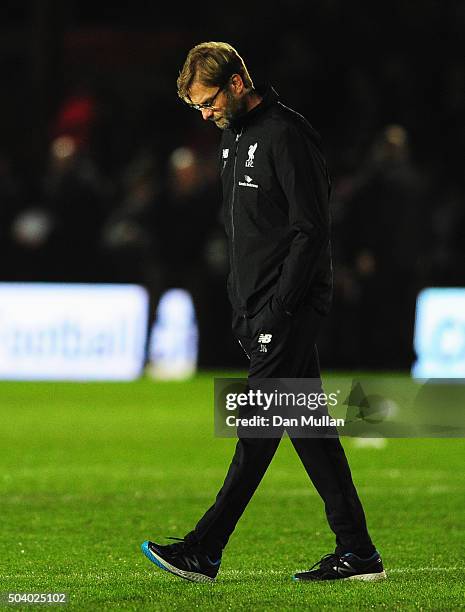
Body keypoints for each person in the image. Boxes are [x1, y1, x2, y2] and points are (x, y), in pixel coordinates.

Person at [141, 41, 385, 583]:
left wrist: (277, 308)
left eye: (207, 103)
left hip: (289, 307)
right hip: (258, 308)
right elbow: (249, 234)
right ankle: (358, 552)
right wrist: (245, 304)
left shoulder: (286, 135)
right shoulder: (234, 137)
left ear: (235, 83)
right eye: (197, 108)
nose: (204, 116)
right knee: (309, 428)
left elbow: (310, 231)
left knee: (256, 427)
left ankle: (204, 548)